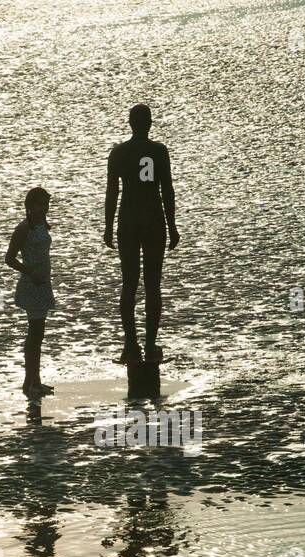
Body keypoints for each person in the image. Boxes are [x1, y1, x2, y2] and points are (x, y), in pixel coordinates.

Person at [104, 103, 179, 365]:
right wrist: (172, 226)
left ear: (129, 123)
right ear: (150, 123)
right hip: (153, 220)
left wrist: (107, 225)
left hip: (128, 220)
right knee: (153, 285)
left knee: (129, 284)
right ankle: (149, 344)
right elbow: (166, 190)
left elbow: (112, 192)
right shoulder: (159, 152)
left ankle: (130, 344)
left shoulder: (119, 153)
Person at [5, 187, 56, 399]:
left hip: (43, 284)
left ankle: (35, 381)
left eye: (46, 204)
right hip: (31, 285)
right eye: (39, 204)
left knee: (38, 334)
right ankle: (30, 382)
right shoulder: (24, 228)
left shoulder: (42, 225)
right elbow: (9, 258)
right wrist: (30, 272)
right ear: (29, 206)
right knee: (35, 334)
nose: (43, 208)